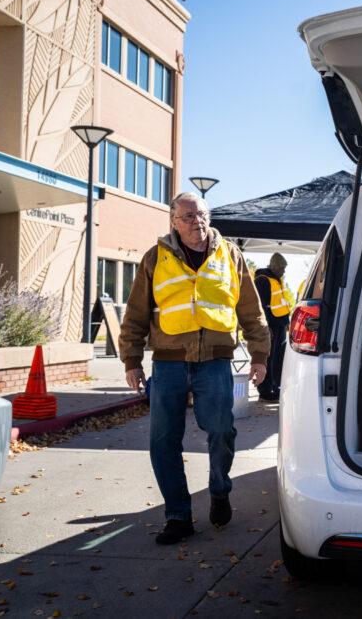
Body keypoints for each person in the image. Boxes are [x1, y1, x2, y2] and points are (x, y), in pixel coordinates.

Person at [119, 191, 270, 545]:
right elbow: (136, 313)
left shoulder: (230, 255)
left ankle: (219, 488)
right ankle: (178, 516)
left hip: (215, 362)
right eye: (187, 216)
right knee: (162, 441)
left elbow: (251, 309)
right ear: (173, 221)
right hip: (168, 363)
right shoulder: (155, 258)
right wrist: (131, 360)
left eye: (201, 214)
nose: (196, 222)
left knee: (222, 431)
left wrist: (260, 355)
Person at [253, 253, 293, 401]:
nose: (284, 272)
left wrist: (286, 321)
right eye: (282, 268)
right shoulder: (262, 280)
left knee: (277, 359)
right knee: (268, 359)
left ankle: (274, 386)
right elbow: (261, 306)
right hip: (271, 327)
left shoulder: (276, 280)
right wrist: (266, 327)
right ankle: (264, 389)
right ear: (275, 266)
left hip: (280, 326)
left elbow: (279, 303)